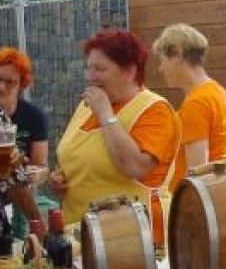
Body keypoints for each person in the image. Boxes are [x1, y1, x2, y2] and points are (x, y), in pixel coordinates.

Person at [50, 30, 181, 246]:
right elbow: (81, 159)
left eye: (100, 69)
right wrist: (61, 179)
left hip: (133, 240)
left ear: (130, 71)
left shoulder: (155, 110)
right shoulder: (86, 107)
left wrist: (105, 115)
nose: (91, 76)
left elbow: (135, 166)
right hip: (81, 235)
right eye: (89, 68)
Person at [151, 24, 226, 171]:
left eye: (162, 61)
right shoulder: (219, 93)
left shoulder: (197, 103)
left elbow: (197, 176)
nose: (161, 69)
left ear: (177, 54)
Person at [0, 46, 48, 244]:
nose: (1, 87)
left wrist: (35, 174)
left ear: (22, 85)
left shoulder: (32, 116)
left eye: (10, 82)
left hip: (18, 200)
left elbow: (40, 166)